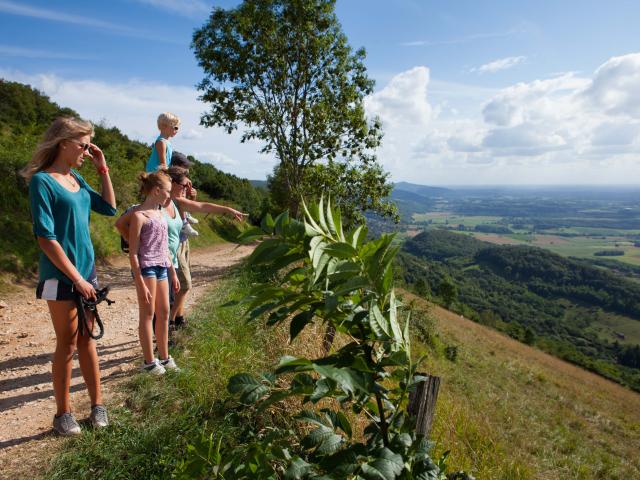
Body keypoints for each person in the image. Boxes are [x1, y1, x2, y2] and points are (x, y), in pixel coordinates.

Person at [22, 116, 117, 436]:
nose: (87, 151)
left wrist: (102, 167)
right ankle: (63, 414)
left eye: (90, 146)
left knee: (87, 340)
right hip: (61, 276)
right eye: (84, 145)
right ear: (63, 143)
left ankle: (97, 406)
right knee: (67, 344)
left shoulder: (76, 177)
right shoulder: (42, 181)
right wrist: (76, 278)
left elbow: (108, 208)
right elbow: (45, 238)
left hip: (85, 273)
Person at [166, 166, 247, 329]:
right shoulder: (175, 200)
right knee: (185, 285)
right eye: (183, 186)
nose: (185, 190)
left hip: (179, 245)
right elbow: (203, 207)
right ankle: (170, 323)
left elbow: (196, 207)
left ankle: (174, 320)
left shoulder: (173, 199)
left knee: (181, 287)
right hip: (173, 251)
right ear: (172, 184)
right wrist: (228, 210)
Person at [128, 171, 180, 375]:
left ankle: (165, 358)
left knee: (165, 312)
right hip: (147, 268)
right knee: (148, 314)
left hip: (162, 268)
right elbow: (133, 254)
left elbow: (164, 246)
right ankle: (149, 362)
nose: (169, 196)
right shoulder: (139, 216)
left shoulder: (161, 214)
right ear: (157, 191)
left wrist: (172, 273)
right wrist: (139, 281)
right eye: (167, 191)